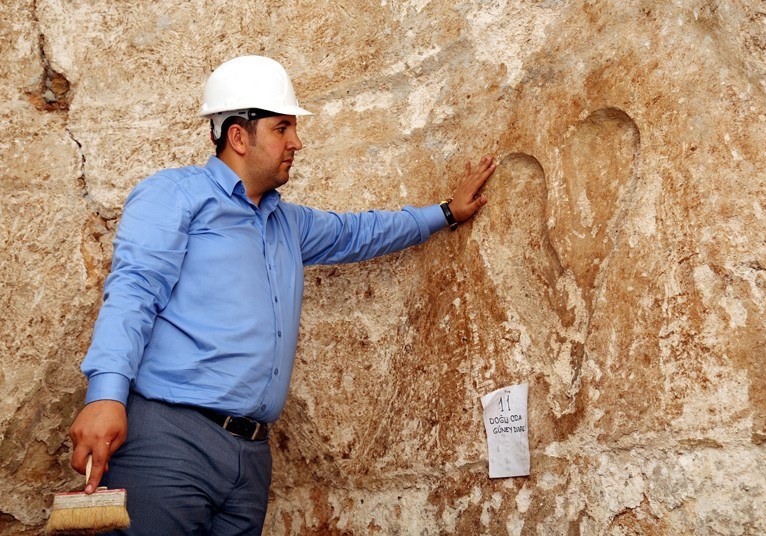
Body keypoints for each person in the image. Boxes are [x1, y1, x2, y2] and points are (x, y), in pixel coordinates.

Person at [67, 55, 495, 535]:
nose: (296, 142)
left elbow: (362, 232)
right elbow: (134, 292)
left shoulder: (288, 222)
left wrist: (446, 212)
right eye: (282, 128)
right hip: (169, 444)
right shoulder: (175, 195)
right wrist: (105, 396)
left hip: (250, 459)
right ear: (238, 136)